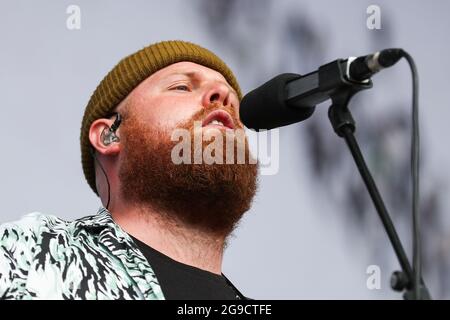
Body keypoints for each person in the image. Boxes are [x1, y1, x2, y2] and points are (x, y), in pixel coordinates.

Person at [0, 40, 258, 300]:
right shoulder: (27, 255)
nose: (222, 97)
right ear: (109, 136)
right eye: (181, 86)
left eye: (233, 107)